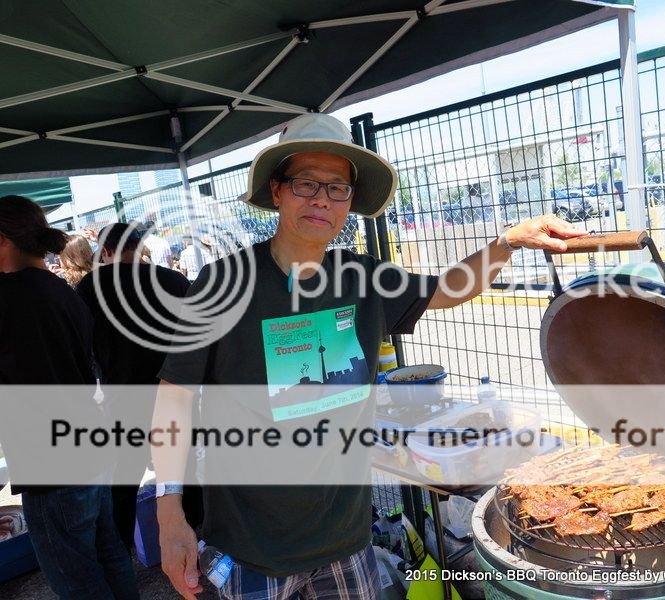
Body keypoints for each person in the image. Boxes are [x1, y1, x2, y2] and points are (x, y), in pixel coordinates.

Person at [151, 114, 584, 600]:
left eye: (337, 188)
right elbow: (173, 400)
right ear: (277, 190)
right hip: (252, 549)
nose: (322, 199)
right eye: (306, 183)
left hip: (346, 542)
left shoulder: (363, 278)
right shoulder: (221, 285)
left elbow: (450, 288)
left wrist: (507, 243)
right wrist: (169, 512)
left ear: (349, 201)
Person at [0, 195, 138, 600]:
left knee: (74, 575)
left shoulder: (11, 296)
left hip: (51, 459)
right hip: (88, 442)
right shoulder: (61, 290)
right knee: (109, 553)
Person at [76, 223, 202, 551]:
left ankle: (119, 552)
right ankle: (197, 544)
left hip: (125, 398)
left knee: (124, 479)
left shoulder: (92, 286)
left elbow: (82, 342)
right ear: (138, 247)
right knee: (184, 472)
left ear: (105, 251)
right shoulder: (172, 280)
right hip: (175, 394)